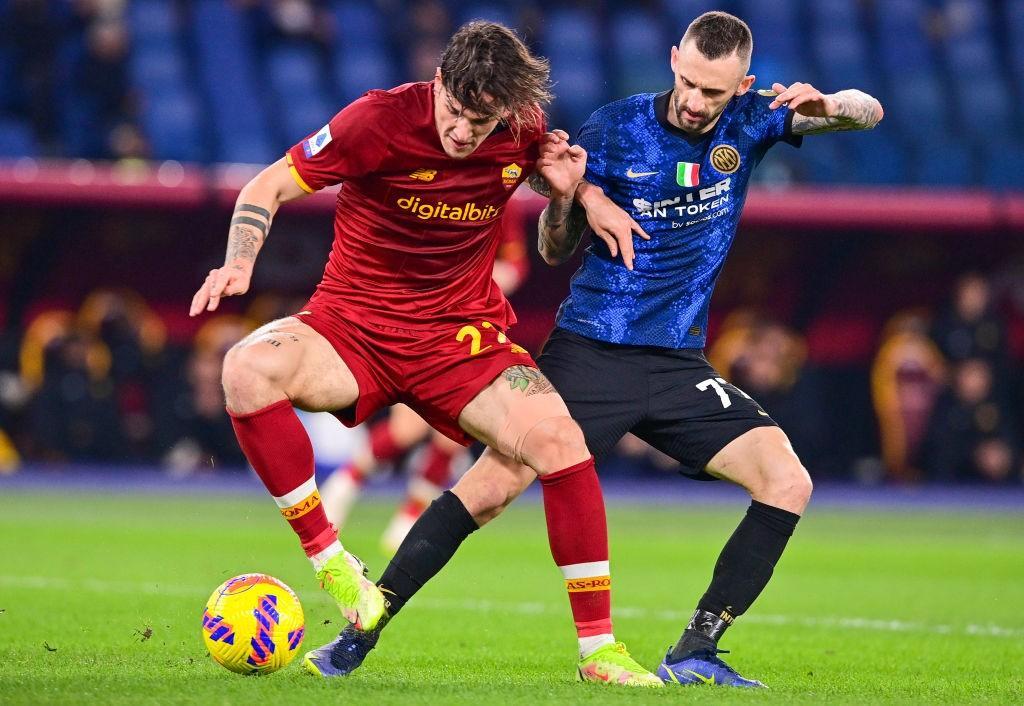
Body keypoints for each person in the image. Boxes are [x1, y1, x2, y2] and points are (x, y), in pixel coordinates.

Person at [327, 11, 883, 688]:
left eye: (715, 90)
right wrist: (577, 200)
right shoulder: (615, 128)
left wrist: (833, 105)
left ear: (744, 83)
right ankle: (360, 633)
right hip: (592, 350)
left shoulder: (754, 121)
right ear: (674, 58)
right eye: (689, 82)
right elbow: (553, 248)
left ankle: (695, 651)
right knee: (491, 487)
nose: (697, 101)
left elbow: (870, 112)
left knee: (788, 481)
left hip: (678, 363)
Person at [188, 21, 660, 687]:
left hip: (459, 336)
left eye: (483, 120)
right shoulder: (375, 121)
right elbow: (265, 186)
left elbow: (553, 248)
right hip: (353, 325)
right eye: (459, 114)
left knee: (561, 444)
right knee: (245, 367)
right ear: (437, 83)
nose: (467, 133)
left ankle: (600, 653)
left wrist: (566, 197)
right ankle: (331, 560)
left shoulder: (523, 129)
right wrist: (240, 263)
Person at [319, 199, 531, 554]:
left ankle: (409, 518)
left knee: (452, 438)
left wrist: (481, 284)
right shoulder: (434, 192)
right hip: (425, 321)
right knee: (407, 429)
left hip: (473, 325)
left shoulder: (500, 194)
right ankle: (346, 482)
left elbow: (515, 263)